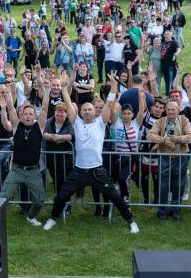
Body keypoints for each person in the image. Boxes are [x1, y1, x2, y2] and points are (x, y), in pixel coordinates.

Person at [43, 72, 140, 233]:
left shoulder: (100, 123)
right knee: (61, 196)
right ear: (80, 112)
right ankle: (52, 218)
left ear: (94, 112)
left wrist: (114, 86)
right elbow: (67, 101)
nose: (87, 111)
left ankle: (131, 221)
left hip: (97, 170)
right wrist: (65, 86)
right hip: (79, 170)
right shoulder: (76, 123)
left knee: (115, 197)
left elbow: (109, 104)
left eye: (90, 109)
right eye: (85, 110)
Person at [0, 81, 50, 226]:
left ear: (34, 115)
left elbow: (45, 108)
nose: (27, 116)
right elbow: (10, 108)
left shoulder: (39, 126)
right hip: (16, 170)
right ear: (21, 116)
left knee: (40, 201)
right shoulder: (16, 125)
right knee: (3, 198)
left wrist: (47, 90)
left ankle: (31, 216)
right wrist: (8, 90)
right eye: (25, 114)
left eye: (30, 114)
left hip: (33, 171)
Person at [147, 100, 191, 219]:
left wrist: (177, 139)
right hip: (164, 157)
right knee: (163, 184)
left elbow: (190, 136)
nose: (170, 112)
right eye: (168, 109)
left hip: (180, 157)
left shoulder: (184, 120)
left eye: (173, 109)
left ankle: (175, 210)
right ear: (165, 110)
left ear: (178, 110)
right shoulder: (160, 121)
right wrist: (163, 140)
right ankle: (162, 210)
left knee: (178, 184)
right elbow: (150, 135)